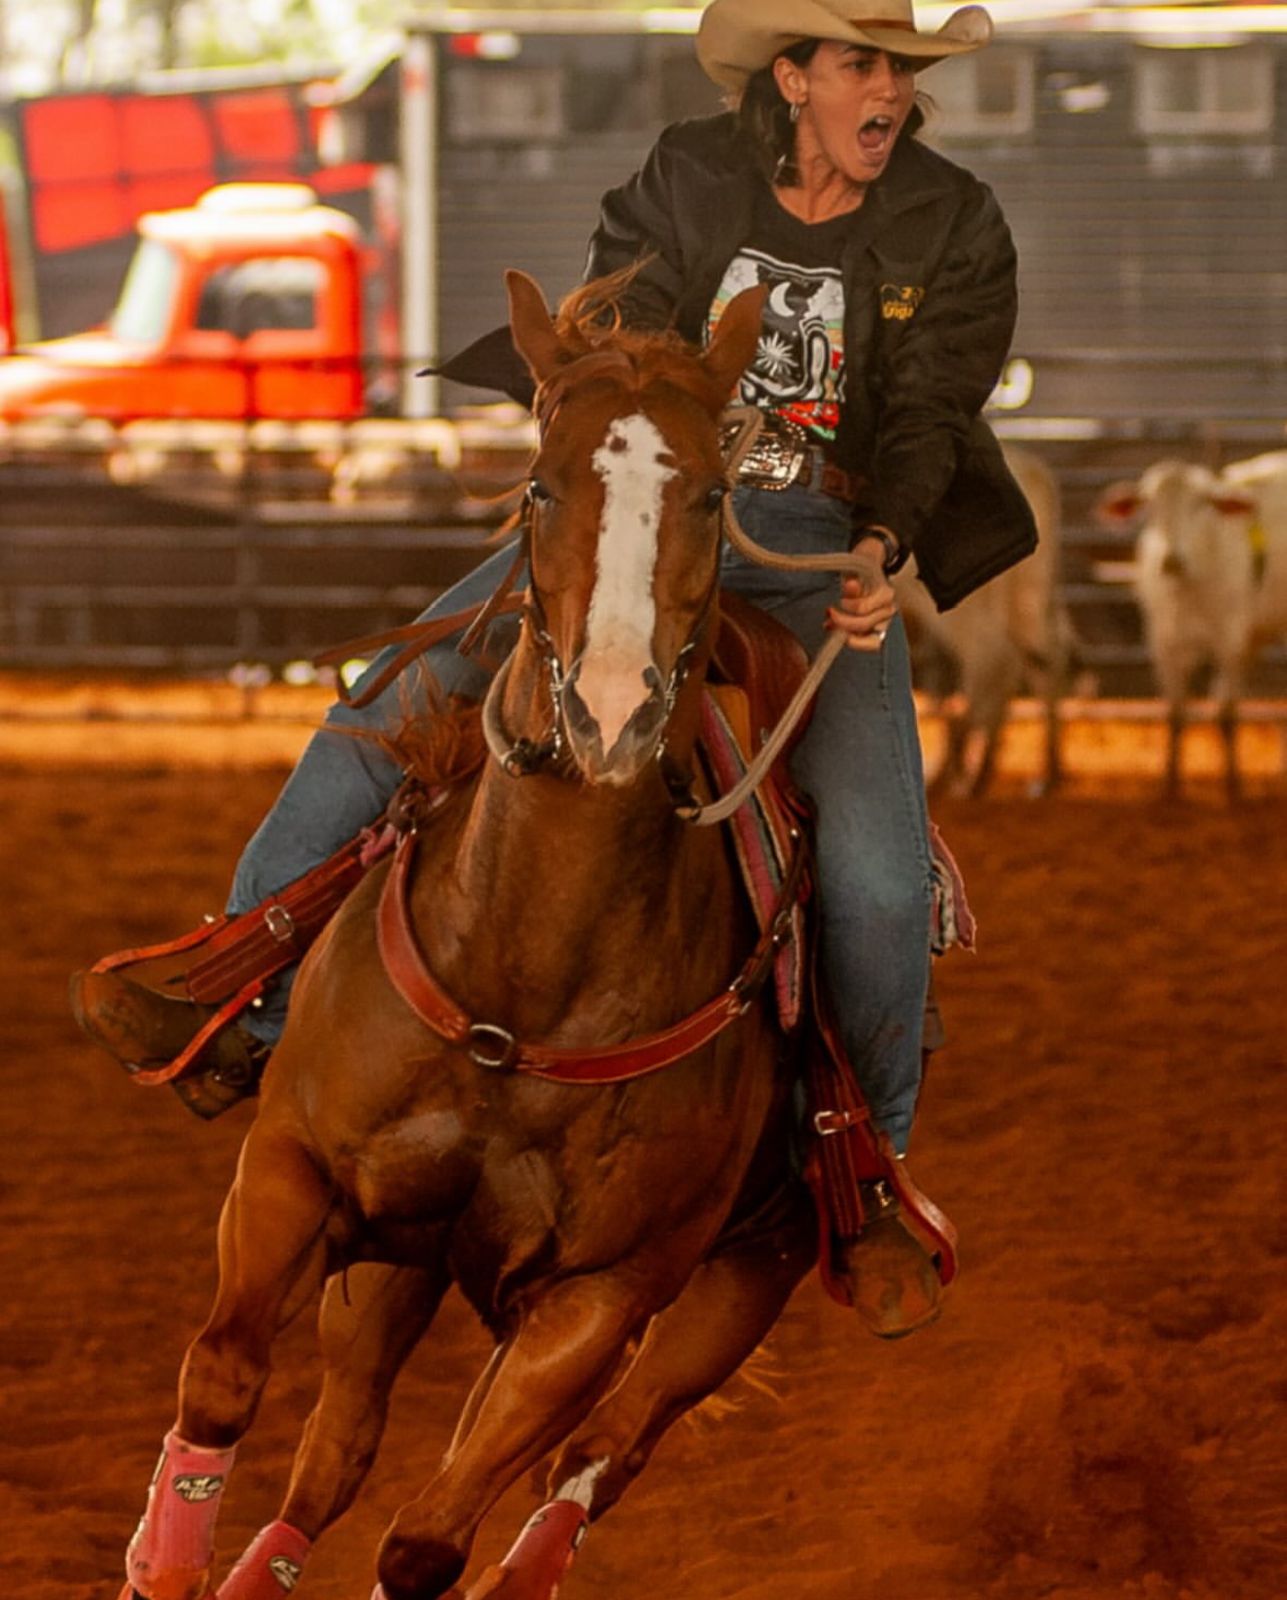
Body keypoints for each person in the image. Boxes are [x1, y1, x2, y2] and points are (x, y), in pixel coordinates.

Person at [71, 0, 1035, 1336]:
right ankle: (247, 988)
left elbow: (932, 406)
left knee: (874, 871)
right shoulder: (686, 175)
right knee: (380, 708)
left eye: (903, 72)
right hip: (635, 507)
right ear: (796, 76)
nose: (892, 94)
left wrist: (880, 545)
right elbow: (609, 333)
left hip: (814, 536)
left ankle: (861, 1170)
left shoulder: (953, 220)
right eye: (865, 65)